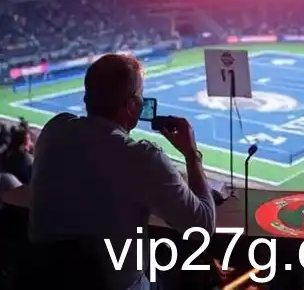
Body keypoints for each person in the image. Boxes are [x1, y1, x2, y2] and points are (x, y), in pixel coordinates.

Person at [29, 54, 216, 290]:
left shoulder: (54, 130)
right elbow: (202, 227)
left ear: (86, 97)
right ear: (131, 106)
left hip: (46, 280)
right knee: (195, 272)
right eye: (140, 96)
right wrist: (191, 154)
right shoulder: (143, 158)